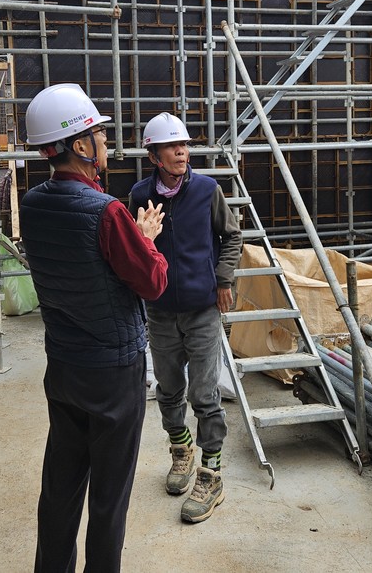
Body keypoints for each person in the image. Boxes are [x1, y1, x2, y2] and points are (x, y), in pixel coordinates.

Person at [20, 83, 167, 573]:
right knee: (109, 498)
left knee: (60, 488)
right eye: (100, 135)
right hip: (112, 373)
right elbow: (152, 282)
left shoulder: (32, 204)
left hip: (64, 366)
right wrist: (145, 239)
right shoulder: (107, 212)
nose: (106, 143)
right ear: (80, 145)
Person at [129, 112, 242, 524]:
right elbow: (133, 250)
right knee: (169, 389)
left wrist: (223, 279)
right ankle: (181, 450)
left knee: (205, 395)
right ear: (154, 156)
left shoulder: (208, 191)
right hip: (160, 311)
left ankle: (211, 475)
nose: (181, 152)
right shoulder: (140, 195)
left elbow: (232, 236)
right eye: (172, 147)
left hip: (202, 310)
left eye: (184, 145)